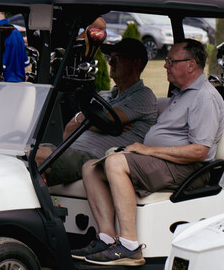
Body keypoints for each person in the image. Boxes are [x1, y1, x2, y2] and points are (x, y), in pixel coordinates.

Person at [73, 40, 224, 265]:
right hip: (166, 163)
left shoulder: (205, 97)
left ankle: (130, 246)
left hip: (190, 170)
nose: (165, 66)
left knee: (115, 163)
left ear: (191, 65)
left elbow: (199, 151)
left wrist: (147, 149)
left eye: (171, 61)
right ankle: (106, 238)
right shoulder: (182, 94)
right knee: (91, 167)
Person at [35, 38, 157, 185]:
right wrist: (89, 120)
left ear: (136, 64)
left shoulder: (143, 96)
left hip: (95, 159)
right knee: (21, 154)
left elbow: (108, 121)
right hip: (71, 151)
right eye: (110, 58)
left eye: (117, 58)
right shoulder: (105, 95)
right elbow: (69, 130)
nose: (110, 63)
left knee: (33, 157)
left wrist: (93, 121)